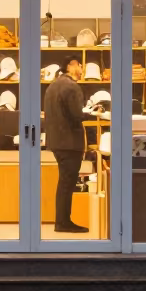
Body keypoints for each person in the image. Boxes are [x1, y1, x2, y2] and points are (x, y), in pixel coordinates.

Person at [43, 55, 99, 233]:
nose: (82, 68)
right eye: (79, 65)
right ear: (71, 65)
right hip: (69, 142)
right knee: (67, 183)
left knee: (64, 182)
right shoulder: (72, 86)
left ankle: (62, 220)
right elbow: (76, 115)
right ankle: (63, 222)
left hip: (56, 141)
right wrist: (92, 113)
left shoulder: (53, 85)